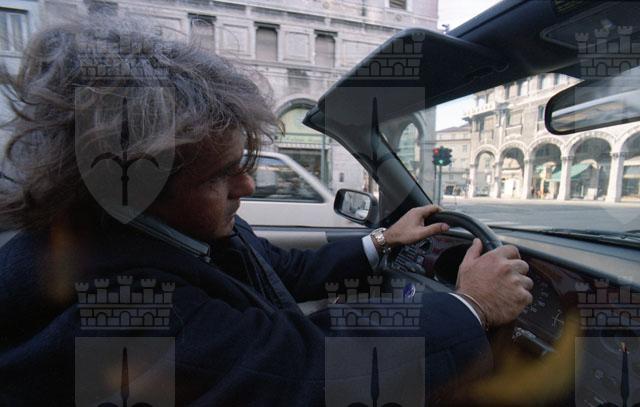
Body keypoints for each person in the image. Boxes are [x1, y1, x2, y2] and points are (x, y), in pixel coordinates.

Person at [0, 17, 533, 405]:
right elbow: (310, 373)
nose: (248, 184)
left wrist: (384, 240)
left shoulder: (166, 234)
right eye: (220, 174)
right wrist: (473, 306)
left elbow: (278, 268)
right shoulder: (121, 308)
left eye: (243, 162)